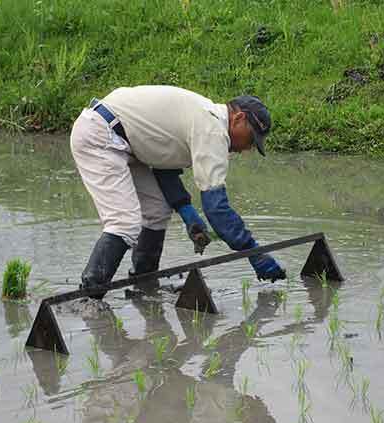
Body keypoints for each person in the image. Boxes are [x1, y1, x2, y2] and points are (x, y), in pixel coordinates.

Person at [70, 85, 286, 298]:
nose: (247, 148)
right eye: (251, 138)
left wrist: (186, 211)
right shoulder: (213, 130)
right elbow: (217, 209)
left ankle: (144, 285)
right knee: (124, 223)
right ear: (238, 118)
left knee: (157, 211)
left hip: (123, 137)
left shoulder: (203, 117)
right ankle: (89, 296)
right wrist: (253, 251)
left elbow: (163, 166)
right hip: (102, 135)